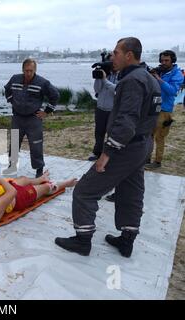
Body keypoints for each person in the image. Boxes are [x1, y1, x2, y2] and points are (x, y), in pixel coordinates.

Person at [55, 37, 162, 258]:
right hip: (142, 144)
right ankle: (127, 239)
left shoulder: (132, 81)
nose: (113, 57)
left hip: (127, 147)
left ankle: (82, 240)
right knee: (131, 191)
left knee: (85, 191)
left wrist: (107, 153)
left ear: (129, 55)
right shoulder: (150, 78)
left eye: (116, 53)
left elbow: (126, 120)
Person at [3, 58, 60, 178]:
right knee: (14, 142)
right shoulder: (15, 78)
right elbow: (7, 89)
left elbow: (55, 95)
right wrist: (11, 100)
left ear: (35, 70)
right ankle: (12, 166)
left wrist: (47, 112)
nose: (28, 73)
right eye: (26, 70)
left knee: (36, 144)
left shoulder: (42, 82)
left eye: (31, 71)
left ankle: (39, 169)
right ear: (22, 69)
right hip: (17, 118)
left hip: (33, 119)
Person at [145, 50, 184, 170]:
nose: (164, 62)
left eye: (166, 60)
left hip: (165, 109)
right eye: (162, 60)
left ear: (173, 60)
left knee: (159, 137)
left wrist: (158, 79)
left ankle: (157, 162)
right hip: (152, 106)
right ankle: (146, 159)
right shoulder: (159, 70)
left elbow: (172, 91)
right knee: (148, 135)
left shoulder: (177, 73)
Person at [88, 61, 119, 162]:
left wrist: (105, 80)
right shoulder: (104, 74)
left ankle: (110, 154)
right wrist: (99, 78)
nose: (113, 65)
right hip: (101, 108)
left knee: (111, 133)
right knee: (99, 132)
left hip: (113, 109)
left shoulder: (122, 75)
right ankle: (97, 152)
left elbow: (117, 90)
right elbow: (97, 90)